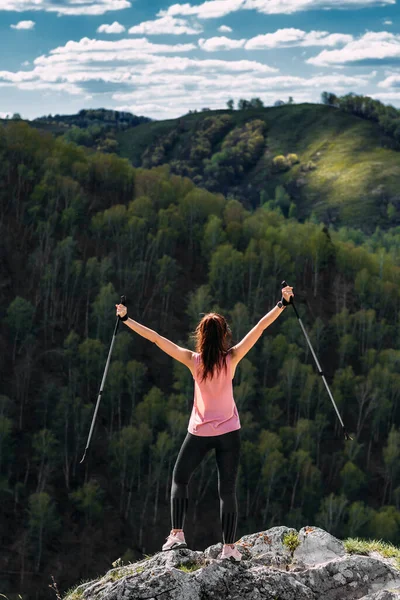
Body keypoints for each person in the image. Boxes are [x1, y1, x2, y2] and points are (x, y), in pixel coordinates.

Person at [116, 284, 294, 562]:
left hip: (199, 433)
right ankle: (229, 549)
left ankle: (177, 535)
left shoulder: (193, 361)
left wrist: (126, 319)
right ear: (224, 336)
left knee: (180, 478)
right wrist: (282, 304)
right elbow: (259, 328)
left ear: (201, 336)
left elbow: (156, 339)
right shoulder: (231, 358)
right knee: (227, 491)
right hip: (229, 433)